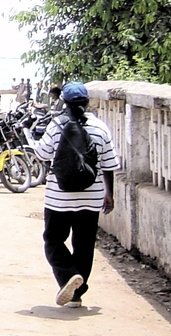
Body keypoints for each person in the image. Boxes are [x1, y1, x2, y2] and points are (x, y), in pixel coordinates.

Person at [34, 82, 119, 308]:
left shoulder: (56, 125)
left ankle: (67, 276)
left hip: (58, 198)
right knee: (84, 245)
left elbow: (43, 154)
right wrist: (109, 194)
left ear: (65, 102)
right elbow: (109, 164)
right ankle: (77, 293)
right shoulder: (100, 128)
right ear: (87, 102)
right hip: (91, 198)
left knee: (53, 240)